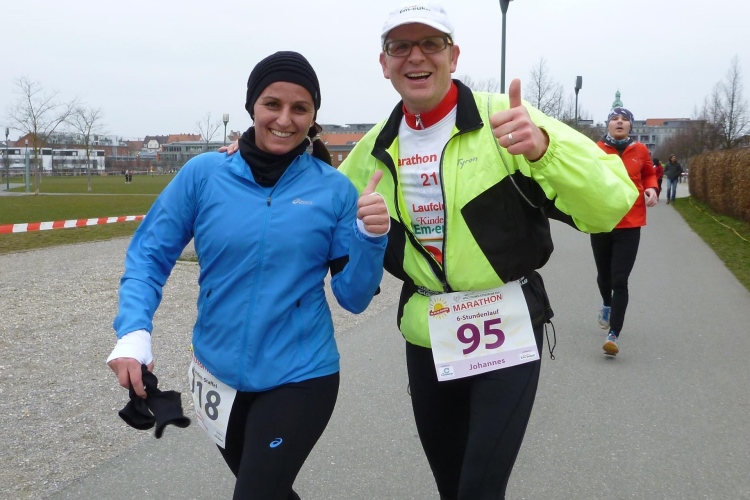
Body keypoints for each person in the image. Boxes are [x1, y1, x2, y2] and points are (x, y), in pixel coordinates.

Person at [339, 3, 638, 498]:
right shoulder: (371, 150)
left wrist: (545, 150)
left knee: (479, 489)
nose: (416, 56)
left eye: (431, 44)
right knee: (451, 484)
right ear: (384, 62)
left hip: (506, 325)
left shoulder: (507, 118)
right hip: (429, 333)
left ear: (453, 56)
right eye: (401, 46)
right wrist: (247, 158)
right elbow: (311, 208)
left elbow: (611, 203)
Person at [106, 51, 389, 500]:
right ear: (251, 106)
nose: (285, 119)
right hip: (216, 377)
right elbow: (148, 256)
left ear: (313, 116)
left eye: (300, 108)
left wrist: (372, 238)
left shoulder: (333, 189)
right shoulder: (204, 174)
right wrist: (133, 331)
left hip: (300, 375)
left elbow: (353, 298)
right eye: (272, 104)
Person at [592, 107, 658, 356]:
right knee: (604, 276)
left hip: (630, 223)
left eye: (624, 119)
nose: (619, 122)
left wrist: (651, 189)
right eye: (614, 119)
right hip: (601, 221)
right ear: (608, 124)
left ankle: (614, 335)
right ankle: (606, 304)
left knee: (619, 280)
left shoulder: (640, 150)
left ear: (630, 125)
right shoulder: (596, 149)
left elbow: (649, 174)